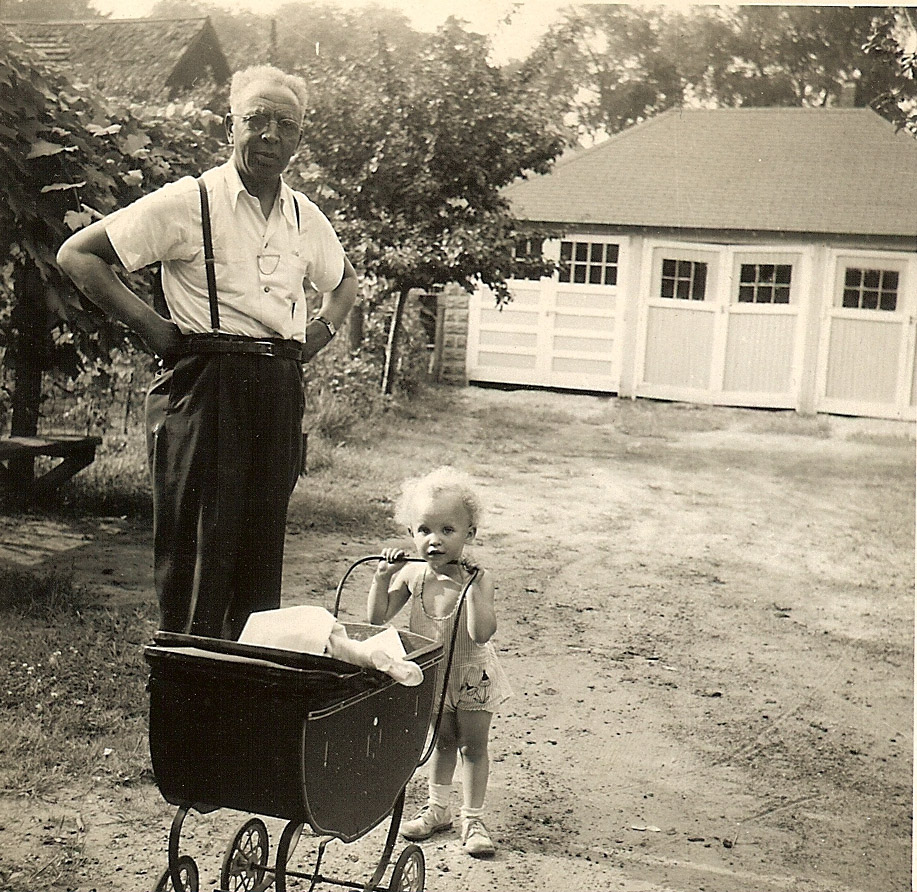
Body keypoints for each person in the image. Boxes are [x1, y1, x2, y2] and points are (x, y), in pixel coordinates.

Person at [56, 65, 357, 639]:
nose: (270, 135)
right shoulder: (188, 202)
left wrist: (324, 329)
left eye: (285, 125)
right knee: (200, 548)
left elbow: (344, 280)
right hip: (206, 383)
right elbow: (79, 255)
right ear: (229, 126)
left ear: (298, 139)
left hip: (277, 387)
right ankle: (188, 707)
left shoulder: (303, 215)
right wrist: (154, 329)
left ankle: (242, 700)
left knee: (260, 548)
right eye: (256, 120)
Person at [367, 467, 512, 858]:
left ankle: (473, 818)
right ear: (412, 533)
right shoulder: (413, 576)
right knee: (441, 741)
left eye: (448, 530)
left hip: (471, 676)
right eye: (424, 530)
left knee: (473, 747)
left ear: (470, 535)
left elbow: (482, 634)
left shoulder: (477, 580)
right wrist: (382, 578)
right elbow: (377, 618)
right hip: (433, 675)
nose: (434, 540)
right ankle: (438, 809)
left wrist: (475, 590)